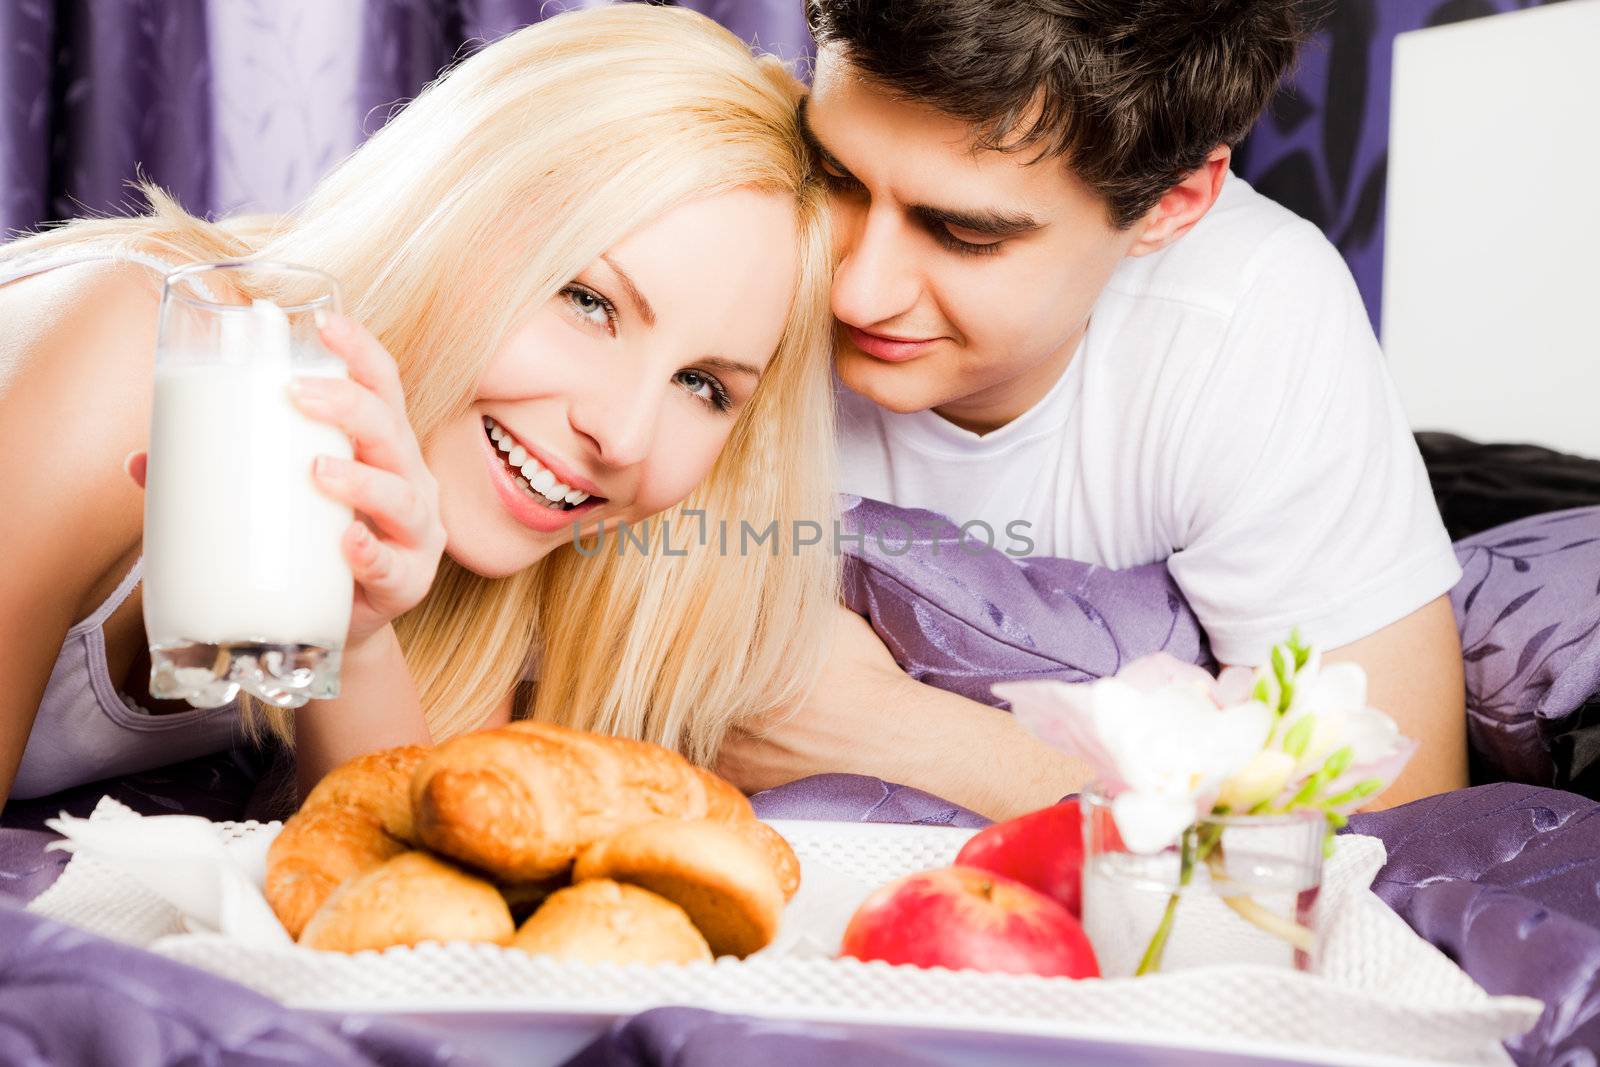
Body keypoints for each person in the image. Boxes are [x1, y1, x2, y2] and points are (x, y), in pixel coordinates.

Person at [0, 5, 838, 810]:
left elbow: (384, 882)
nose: (621, 436)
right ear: (453, 215)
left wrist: (356, 641)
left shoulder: (492, 565)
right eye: (587, 301)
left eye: (702, 385)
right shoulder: (135, 356)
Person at [717, 0, 1468, 818]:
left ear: (1169, 207)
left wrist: (901, 737)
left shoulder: (1245, 307)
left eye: (965, 233)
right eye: (835, 177)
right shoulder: (720, 224)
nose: (858, 289)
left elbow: (1391, 818)